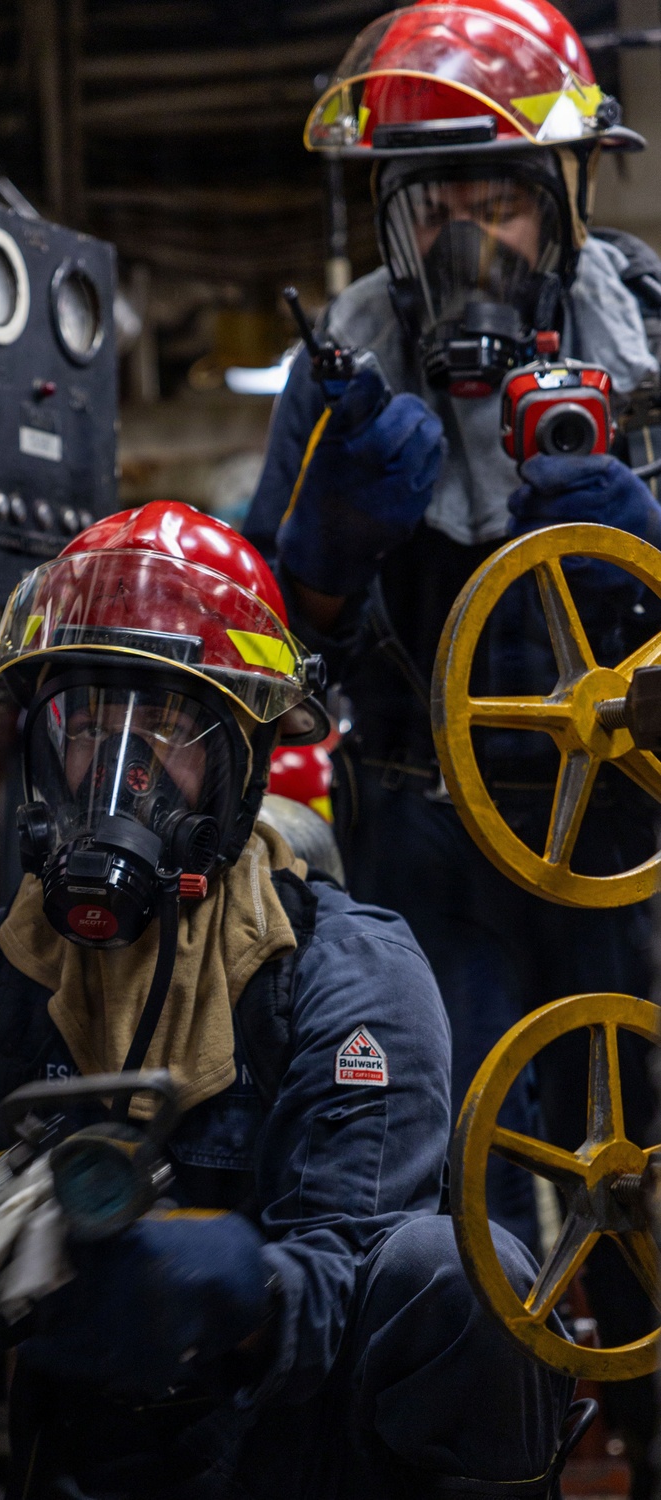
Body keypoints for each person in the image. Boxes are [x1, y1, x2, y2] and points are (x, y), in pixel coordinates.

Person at [0, 502, 577, 1500]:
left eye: (168, 730)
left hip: (308, 1446)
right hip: (97, 1445)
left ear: (240, 763)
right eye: (89, 724)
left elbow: (355, 1265)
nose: (118, 774)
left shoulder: (346, 971)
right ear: (41, 740)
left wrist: (239, 1292)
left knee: (462, 1268)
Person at [243, 0, 661, 1482]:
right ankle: (492, 1461)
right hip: (426, 839)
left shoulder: (651, 335)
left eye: (502, 196)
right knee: (445, 1176)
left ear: (566, 204)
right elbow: (257, 656)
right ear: (391, 214)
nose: (472, 233)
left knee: (649, 1166)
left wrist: (647, 537)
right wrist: (321, 561)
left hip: (634, 840)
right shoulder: (342, 373)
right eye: (438, 202)